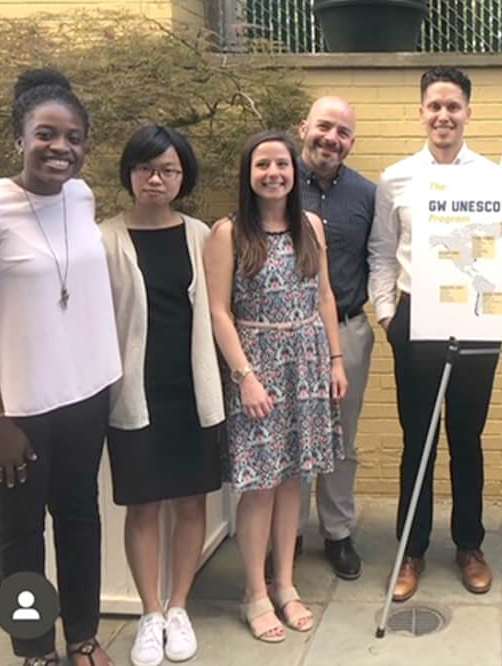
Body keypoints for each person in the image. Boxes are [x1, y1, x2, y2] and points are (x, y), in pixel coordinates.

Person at [0, 69, 121, 666]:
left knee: (80, 519)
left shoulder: (81, 198)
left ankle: (82, 637)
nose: (61, 148)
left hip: (80, 398)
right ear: (19, 137)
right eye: (46, 134)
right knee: (19, 537)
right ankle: (35, 650)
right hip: (12, 414)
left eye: (74, 137)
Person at [205, 130, 347, 641]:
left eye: (281, 164)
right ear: (249, 174)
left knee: (294, 481)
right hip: (258, 365)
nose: (273, 173)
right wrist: (244, 378)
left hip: (307, 361)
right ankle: (254, 592)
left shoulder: (309, 225)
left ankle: (285, 583)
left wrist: (335, 359)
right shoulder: (228, 232)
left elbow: (325, 295)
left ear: (294, 171)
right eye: (263, 164)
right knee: (260, 484)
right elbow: (219, 311)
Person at [368, 66, 499, 601]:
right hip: (416, 320)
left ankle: (469, 545)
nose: (443, 115)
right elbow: (381, 250)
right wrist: (386, 314)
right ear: (421, 112)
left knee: (466, 438)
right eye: (434, 106)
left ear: (468, 112)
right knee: (417, 440)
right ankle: (412, 551)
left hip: (476, 319)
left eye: (453, 106)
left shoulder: (493, 177)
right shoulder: (395, 177)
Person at [101, 125, 224, 666]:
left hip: (194, 388)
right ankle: (150, 613)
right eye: (147, 168)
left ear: (183, 177)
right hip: (134, 391)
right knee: (144, 505)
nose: (157, 178)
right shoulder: (104, 238)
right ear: (130, 172)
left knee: (193, 500)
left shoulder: (201, 235)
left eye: (169, 170)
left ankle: (179, 606)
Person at [295, 96, 376, 580]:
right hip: (286, 332)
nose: (332, 138)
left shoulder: (367, 194)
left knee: (341, 438)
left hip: (348, 327)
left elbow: (380, 257)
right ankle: (288, 534)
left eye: (343, 132)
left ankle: (337, 532)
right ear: (304, 126)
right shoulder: (276, 180)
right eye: (324, 126)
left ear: (352, 142)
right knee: (290, 438)